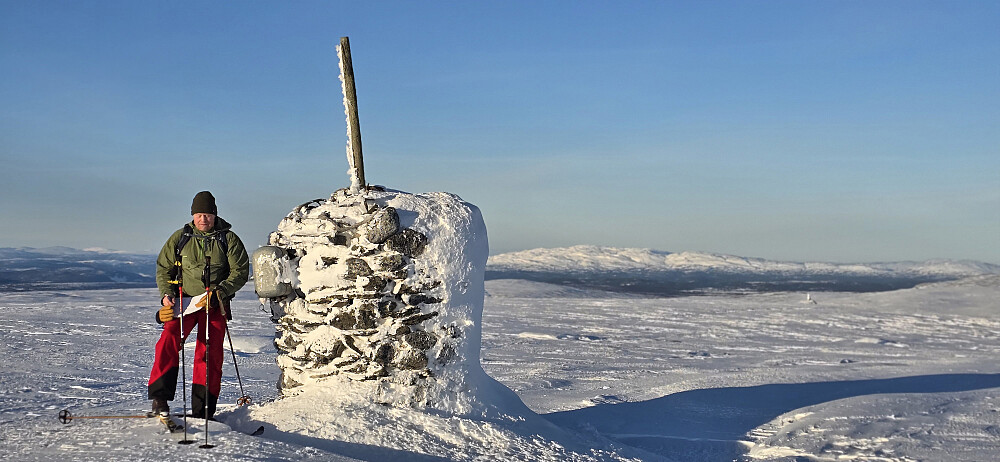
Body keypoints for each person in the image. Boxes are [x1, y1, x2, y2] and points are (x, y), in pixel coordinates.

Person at [148, 191, 249, 419]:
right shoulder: (180, 237)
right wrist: (166, 295)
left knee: (209, 353)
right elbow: (163, 268)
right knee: (168, 340)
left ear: (215, 215)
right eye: (199, 214)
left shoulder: (228, 239)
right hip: (183, 304)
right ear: (193, 215)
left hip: (214, 305)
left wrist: (220, 292)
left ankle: (204, 410)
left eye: (208, 215)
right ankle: (159, 398)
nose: (203, 219)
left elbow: (241, 271)